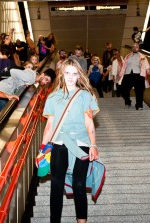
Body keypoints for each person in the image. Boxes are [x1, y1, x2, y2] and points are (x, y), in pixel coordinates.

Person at [40, 58, 99, 223]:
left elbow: (89, 122)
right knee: (56, 185)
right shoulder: (53, 97)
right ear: (61, 74)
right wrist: (43, 151)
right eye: (67, 73)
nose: (71, 77)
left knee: (79, 185)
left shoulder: (86, 96)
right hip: (59, 143)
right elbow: (49, 126)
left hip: (81, 144)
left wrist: (93, 144)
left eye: (74, 74)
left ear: (79, 76)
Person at [118, 42, 150, 110]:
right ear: (132, 48)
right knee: (123, 89)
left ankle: (139, 105)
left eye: (136, 47)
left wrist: (149, 72)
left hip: (139, 74)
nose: (135, 48)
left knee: (139, 91)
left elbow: (147, 65)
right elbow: (124, 66)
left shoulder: (142, 56)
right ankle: (128, 101)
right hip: (128, 74)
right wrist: (121, 74)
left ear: (138, 48)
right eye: (133, 46)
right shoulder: (128, 56)